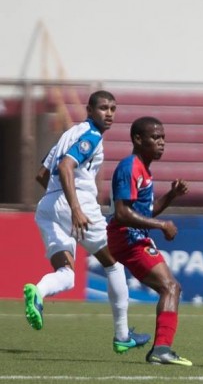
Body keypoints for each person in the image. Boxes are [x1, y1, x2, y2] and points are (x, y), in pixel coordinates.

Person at [25, 90, 151, 354]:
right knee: (113, 264)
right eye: (104, 108)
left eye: (113, 109)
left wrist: (58, 201)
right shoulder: (91, 135)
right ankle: (122, 335)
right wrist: (74, 208)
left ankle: (37, 291)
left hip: (47, 205)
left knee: (67, 275)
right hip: (75, 203)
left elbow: (41, 174)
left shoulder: (67, 135)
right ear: (90, 110)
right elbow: (65, 167)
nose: (109, 114)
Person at [106, 116, 192, 366]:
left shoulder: (144, 169)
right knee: (170, 288)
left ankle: (161, 349)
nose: (161, 142)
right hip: (127, 237)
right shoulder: (130, 167)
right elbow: (122, 213)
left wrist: (172, 195)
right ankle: (161, 350)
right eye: (155, 137)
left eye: (163, 137)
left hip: (132, 237)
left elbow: (146, 211)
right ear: (137, 139)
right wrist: (162, 225)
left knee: (172, 288)